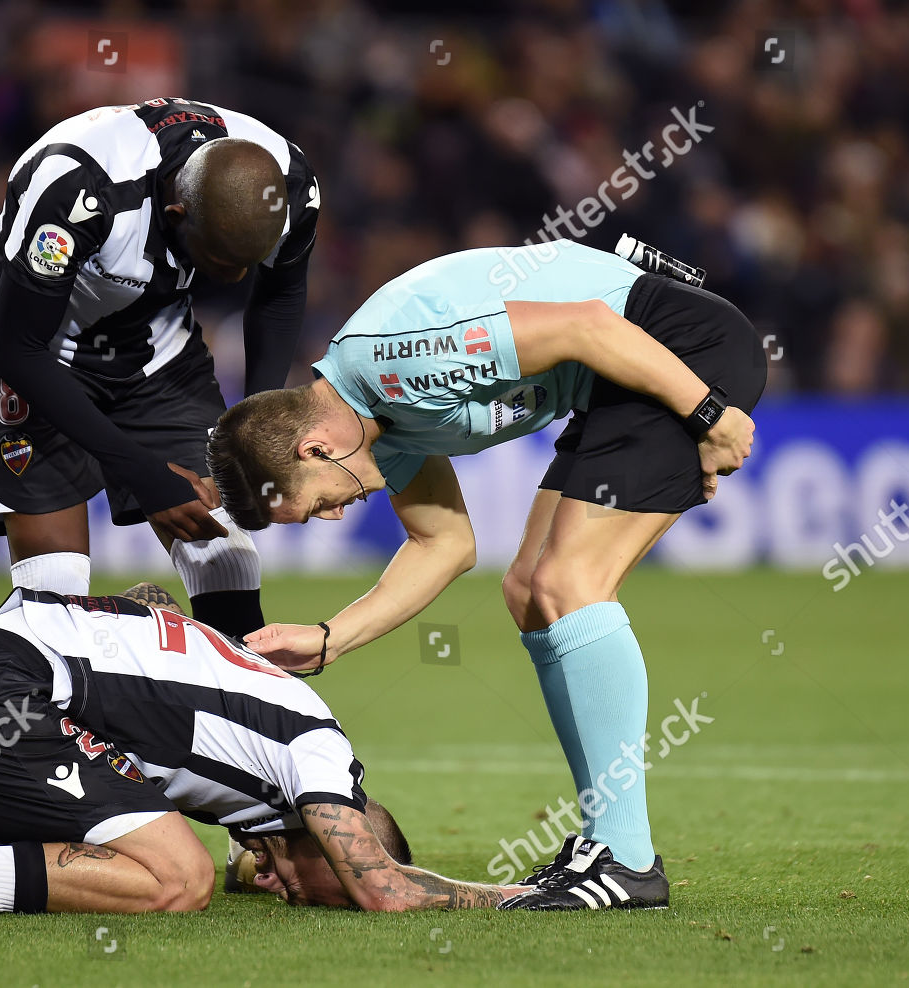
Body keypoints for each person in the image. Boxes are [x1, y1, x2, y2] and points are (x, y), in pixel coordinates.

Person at [205, 239, 766, 910]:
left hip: (675, 355)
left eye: (317, 502)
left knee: (568, 583)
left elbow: (587, 324)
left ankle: (626, 857)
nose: (333, 515)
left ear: (315, 448)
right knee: (529, 589)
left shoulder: (390, 366)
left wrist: (709, 414)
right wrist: (329, 640)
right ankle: (602, 845)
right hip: (617, 386)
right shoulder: (380, 423)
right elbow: (444, 545)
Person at [0, 583, 530, 917]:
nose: (281, 891)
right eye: (311, 888)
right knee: (177, 880)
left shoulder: (259, 778)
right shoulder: (318, 746)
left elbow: (146, 600)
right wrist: (517, 896)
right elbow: (384, 890)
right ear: (347, 832)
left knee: (129, 857)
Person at [0, 97, 319, 638]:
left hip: (156, 350)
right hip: (41, 350)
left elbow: (278, 294)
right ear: (177, 215)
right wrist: (143, 474)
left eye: (247, 263)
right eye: (223, 262)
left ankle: (228, 717)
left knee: (224, 554)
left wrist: (255, 425)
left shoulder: (288, 183)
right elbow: (20, 350)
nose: (232, 279)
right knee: (55, 592)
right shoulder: (78, 188)